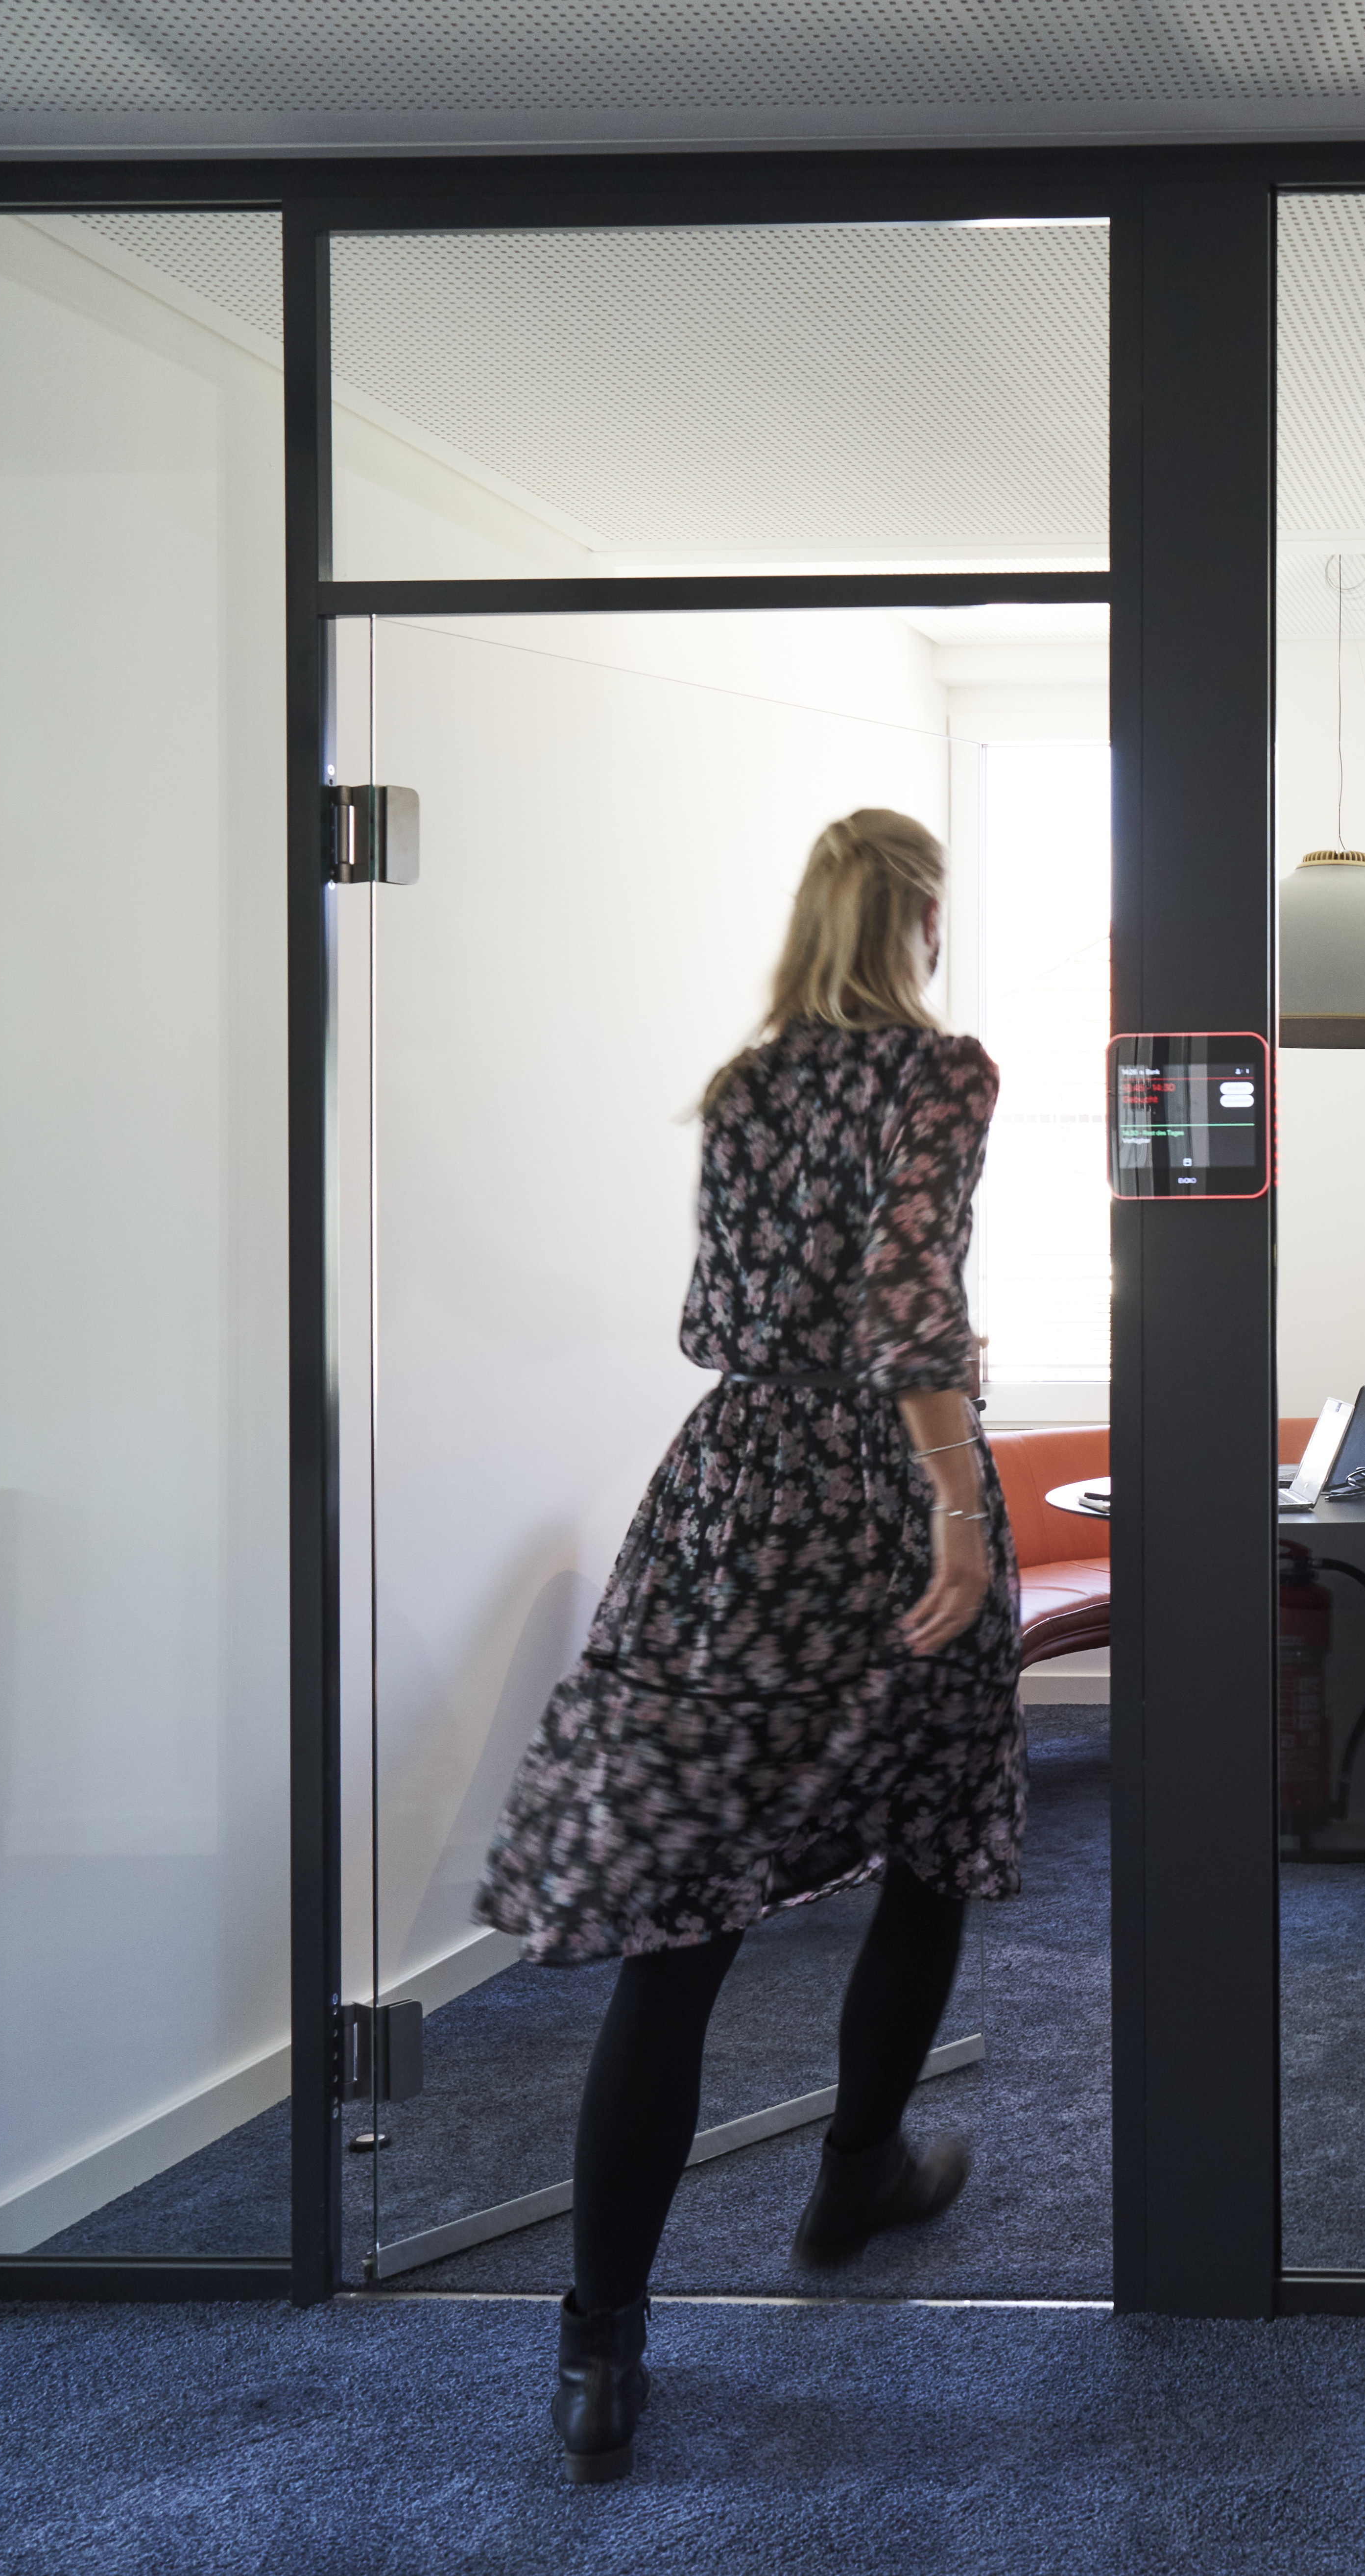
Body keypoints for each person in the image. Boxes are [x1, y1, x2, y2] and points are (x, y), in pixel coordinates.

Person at [473, 808, 1024, 2483]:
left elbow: (742, 1298)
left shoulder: (743, 1084)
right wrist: (948, 1499)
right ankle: (855, 2169)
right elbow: (909, 1296)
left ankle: (600, 2341)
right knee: (926, 1847)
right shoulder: (939, 1075)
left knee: (683, 1921)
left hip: (729, 1494)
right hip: (873, 1488)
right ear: (922, 917)